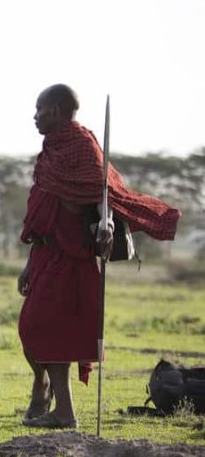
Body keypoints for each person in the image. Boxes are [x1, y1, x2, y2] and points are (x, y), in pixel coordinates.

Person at [17, 84, 180, 428]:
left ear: (57, 112)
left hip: (71, 255)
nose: (34, 117)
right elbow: (44, 208)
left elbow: (101, 192)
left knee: (46, 329)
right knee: (33, 329)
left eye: (39, 110)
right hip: (45, 252)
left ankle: (64, 413)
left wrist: (105, 221)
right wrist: (29, 264)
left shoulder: (84, 146)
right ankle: (51, 397)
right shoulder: (50, 150)